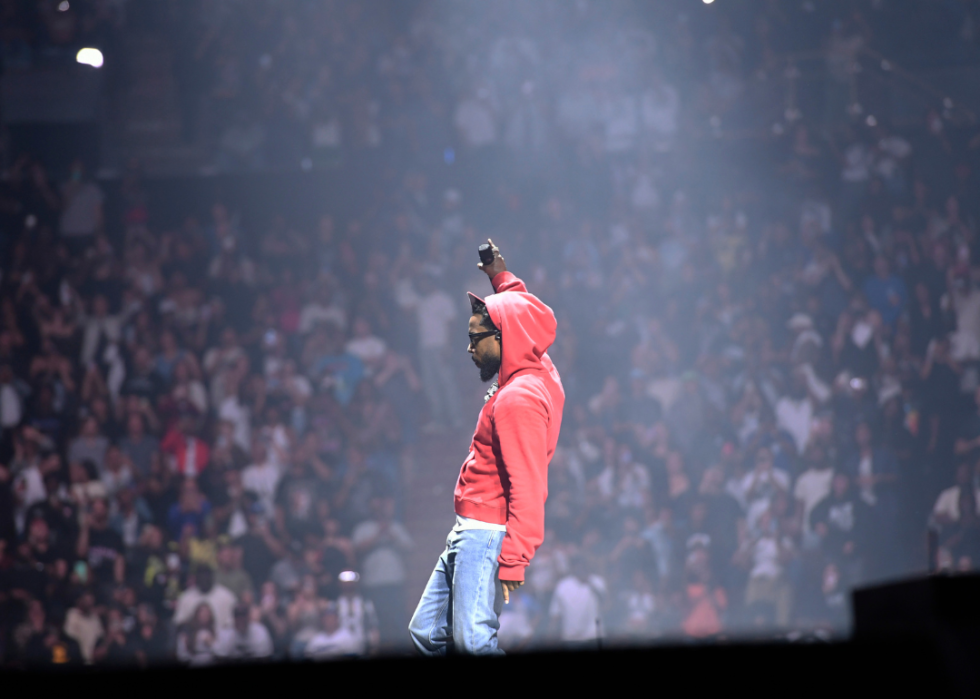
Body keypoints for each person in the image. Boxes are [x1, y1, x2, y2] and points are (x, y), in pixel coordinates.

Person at [409, 240, 565, 655]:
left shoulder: (518, 399)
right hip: (469, 528)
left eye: (477, 339)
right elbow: (522, 311)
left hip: (485, 532)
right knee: (427, 632)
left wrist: (515, 556)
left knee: (474, 641)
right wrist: (500, 275)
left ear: (503, 336)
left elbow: (529, 483)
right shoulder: (535, 364)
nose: (469, 348)